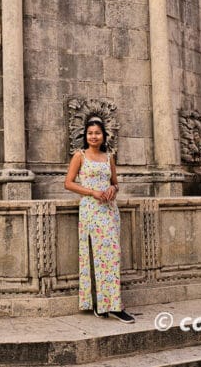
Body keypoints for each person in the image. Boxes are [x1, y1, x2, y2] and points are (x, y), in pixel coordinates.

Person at [64, 117, 135, 323]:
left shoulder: (108, 157)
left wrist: (113, 188)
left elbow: (115, 183)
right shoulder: (80, 156)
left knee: (112, 255)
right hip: (90, 209)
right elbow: (68, 183)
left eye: (97, 133)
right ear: (85, 136)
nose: (93, 136)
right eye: (90, 133)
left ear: (103, 136)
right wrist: (92, 192)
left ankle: (110, 304)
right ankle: (103, 304)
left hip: (109, 209)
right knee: (96, 257)